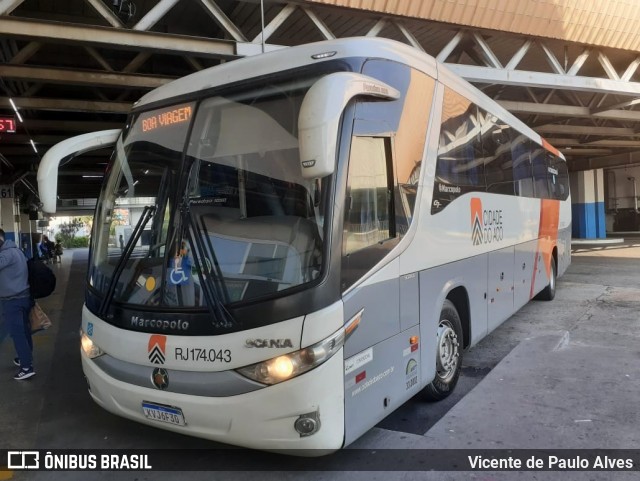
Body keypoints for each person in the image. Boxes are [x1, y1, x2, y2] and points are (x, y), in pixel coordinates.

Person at [0, 228, 35, 380]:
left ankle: (26, 367)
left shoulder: (6, 254)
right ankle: (25, 358)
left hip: (12, 301)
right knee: (25, 332)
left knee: (18, 334)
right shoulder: (17, 250)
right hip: (24, 296)